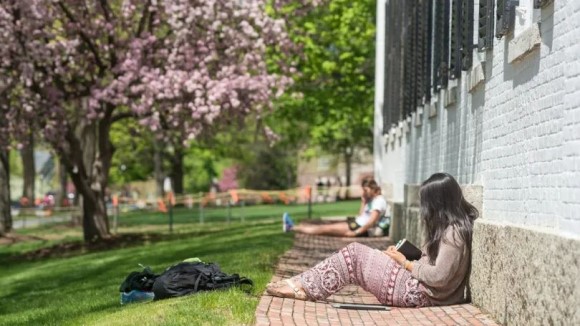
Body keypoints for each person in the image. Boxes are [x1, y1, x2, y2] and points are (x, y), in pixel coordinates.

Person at [268, 172, 478, 307]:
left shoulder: (454, 233)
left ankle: (303, 287)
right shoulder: (448, 229)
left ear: (438, 203)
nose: (425, 210)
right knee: (359, 254)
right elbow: (430, 263)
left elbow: (439, 276)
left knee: (354, 254)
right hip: (418, 286)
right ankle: (302, 283)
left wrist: (405, 262)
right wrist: (403, 255)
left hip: (419, 293)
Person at [284, 178, 389, 237]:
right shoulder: (372, 200)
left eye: (366, 190)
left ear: (372, 188)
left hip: (358, 228)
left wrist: (356, 233)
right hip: (356, 223)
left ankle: (292, 227)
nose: (364, 192)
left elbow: (371, 222)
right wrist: (364, 201)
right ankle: (292, 227)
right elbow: (361, 215)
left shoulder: (379, 201)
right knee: (324, 228)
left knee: (325, 229)